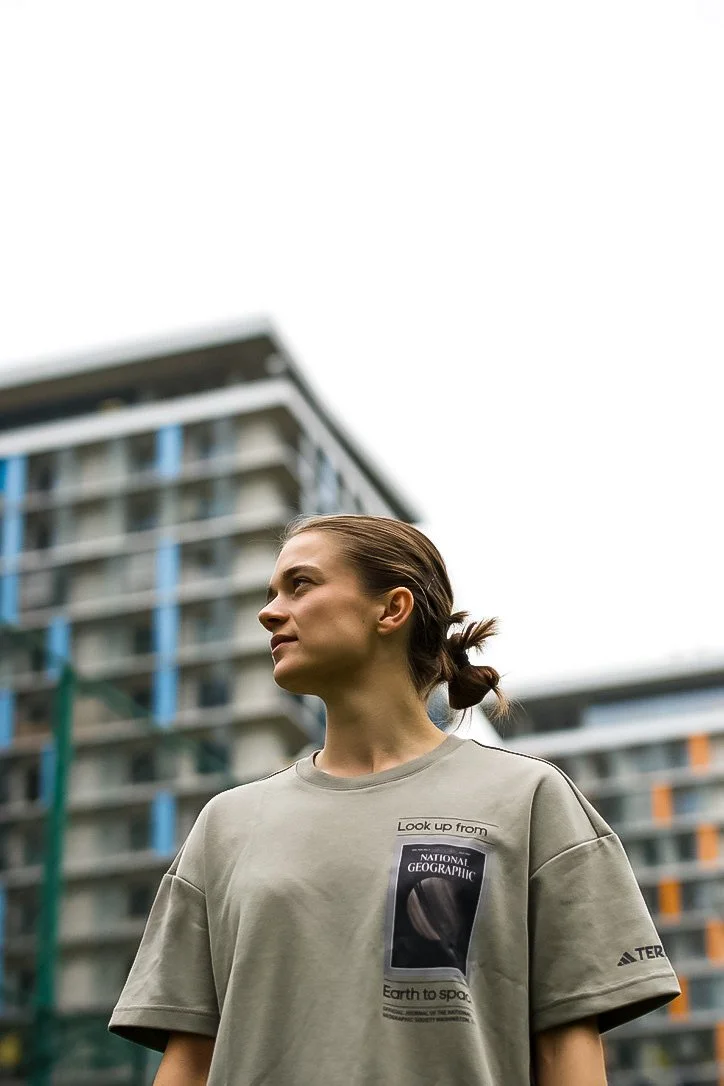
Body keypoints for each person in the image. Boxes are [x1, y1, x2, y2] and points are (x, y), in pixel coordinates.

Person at [108, 514, 681, 1085]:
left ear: (392, 609)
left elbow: (567, 1053)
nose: (269, 611)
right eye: (270, 593)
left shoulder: (529, 800)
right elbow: (188, 1060)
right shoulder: (225, 825)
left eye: (300, 585)